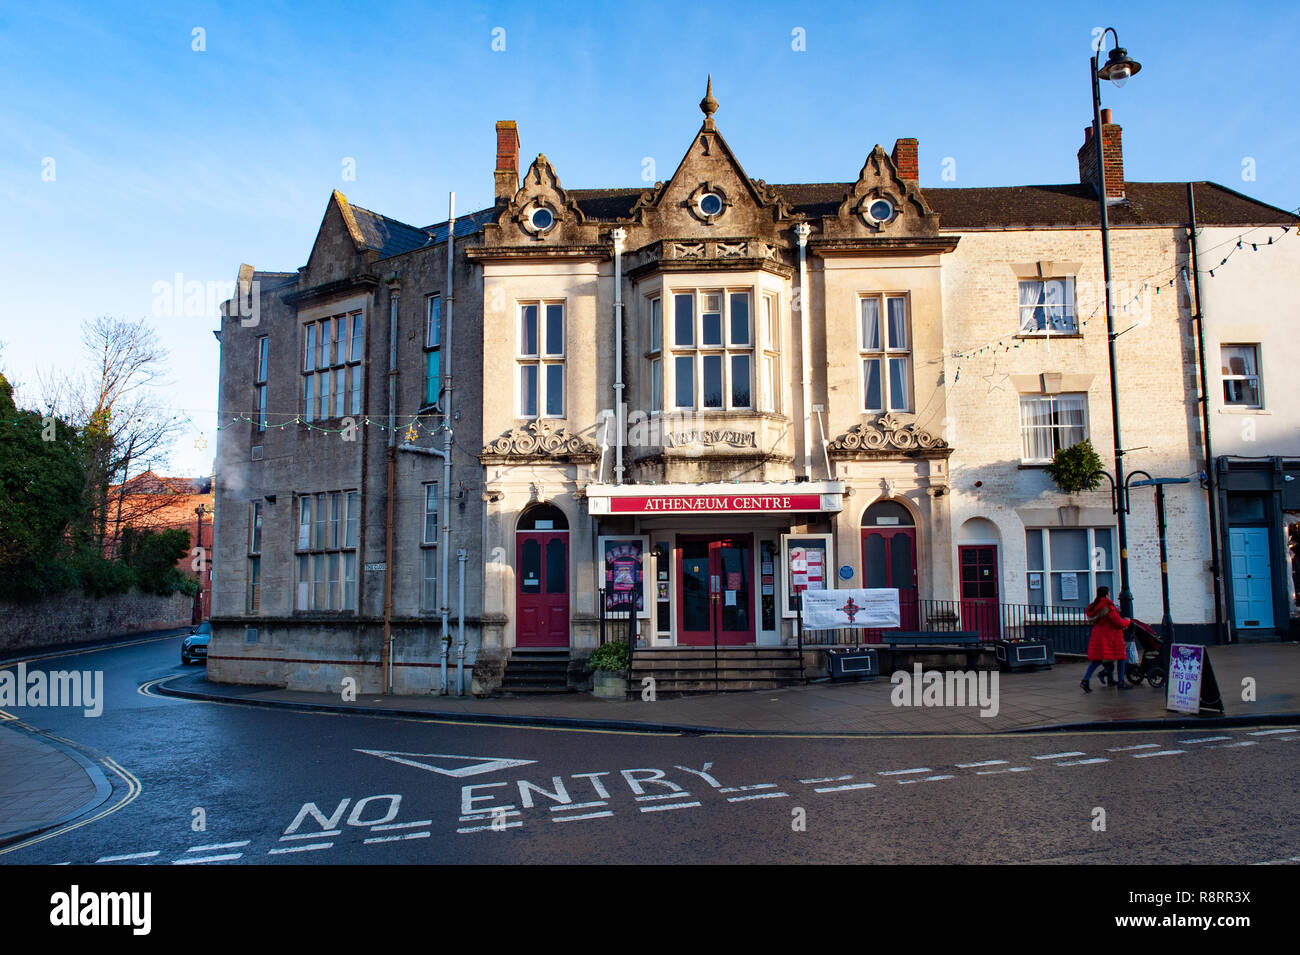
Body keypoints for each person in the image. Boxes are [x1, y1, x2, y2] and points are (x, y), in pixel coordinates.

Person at [1080, 586, 1131, 693]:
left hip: (1098, 636)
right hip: (1111, 638)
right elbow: (1118, 622)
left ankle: (1086, 680)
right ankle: (1121, 681)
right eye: (1109, 593)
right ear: (1107, 595)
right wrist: (1127, 621)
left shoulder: (1095, 607)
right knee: (1121, 658)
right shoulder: (1109, 607)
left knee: (1097, 660)